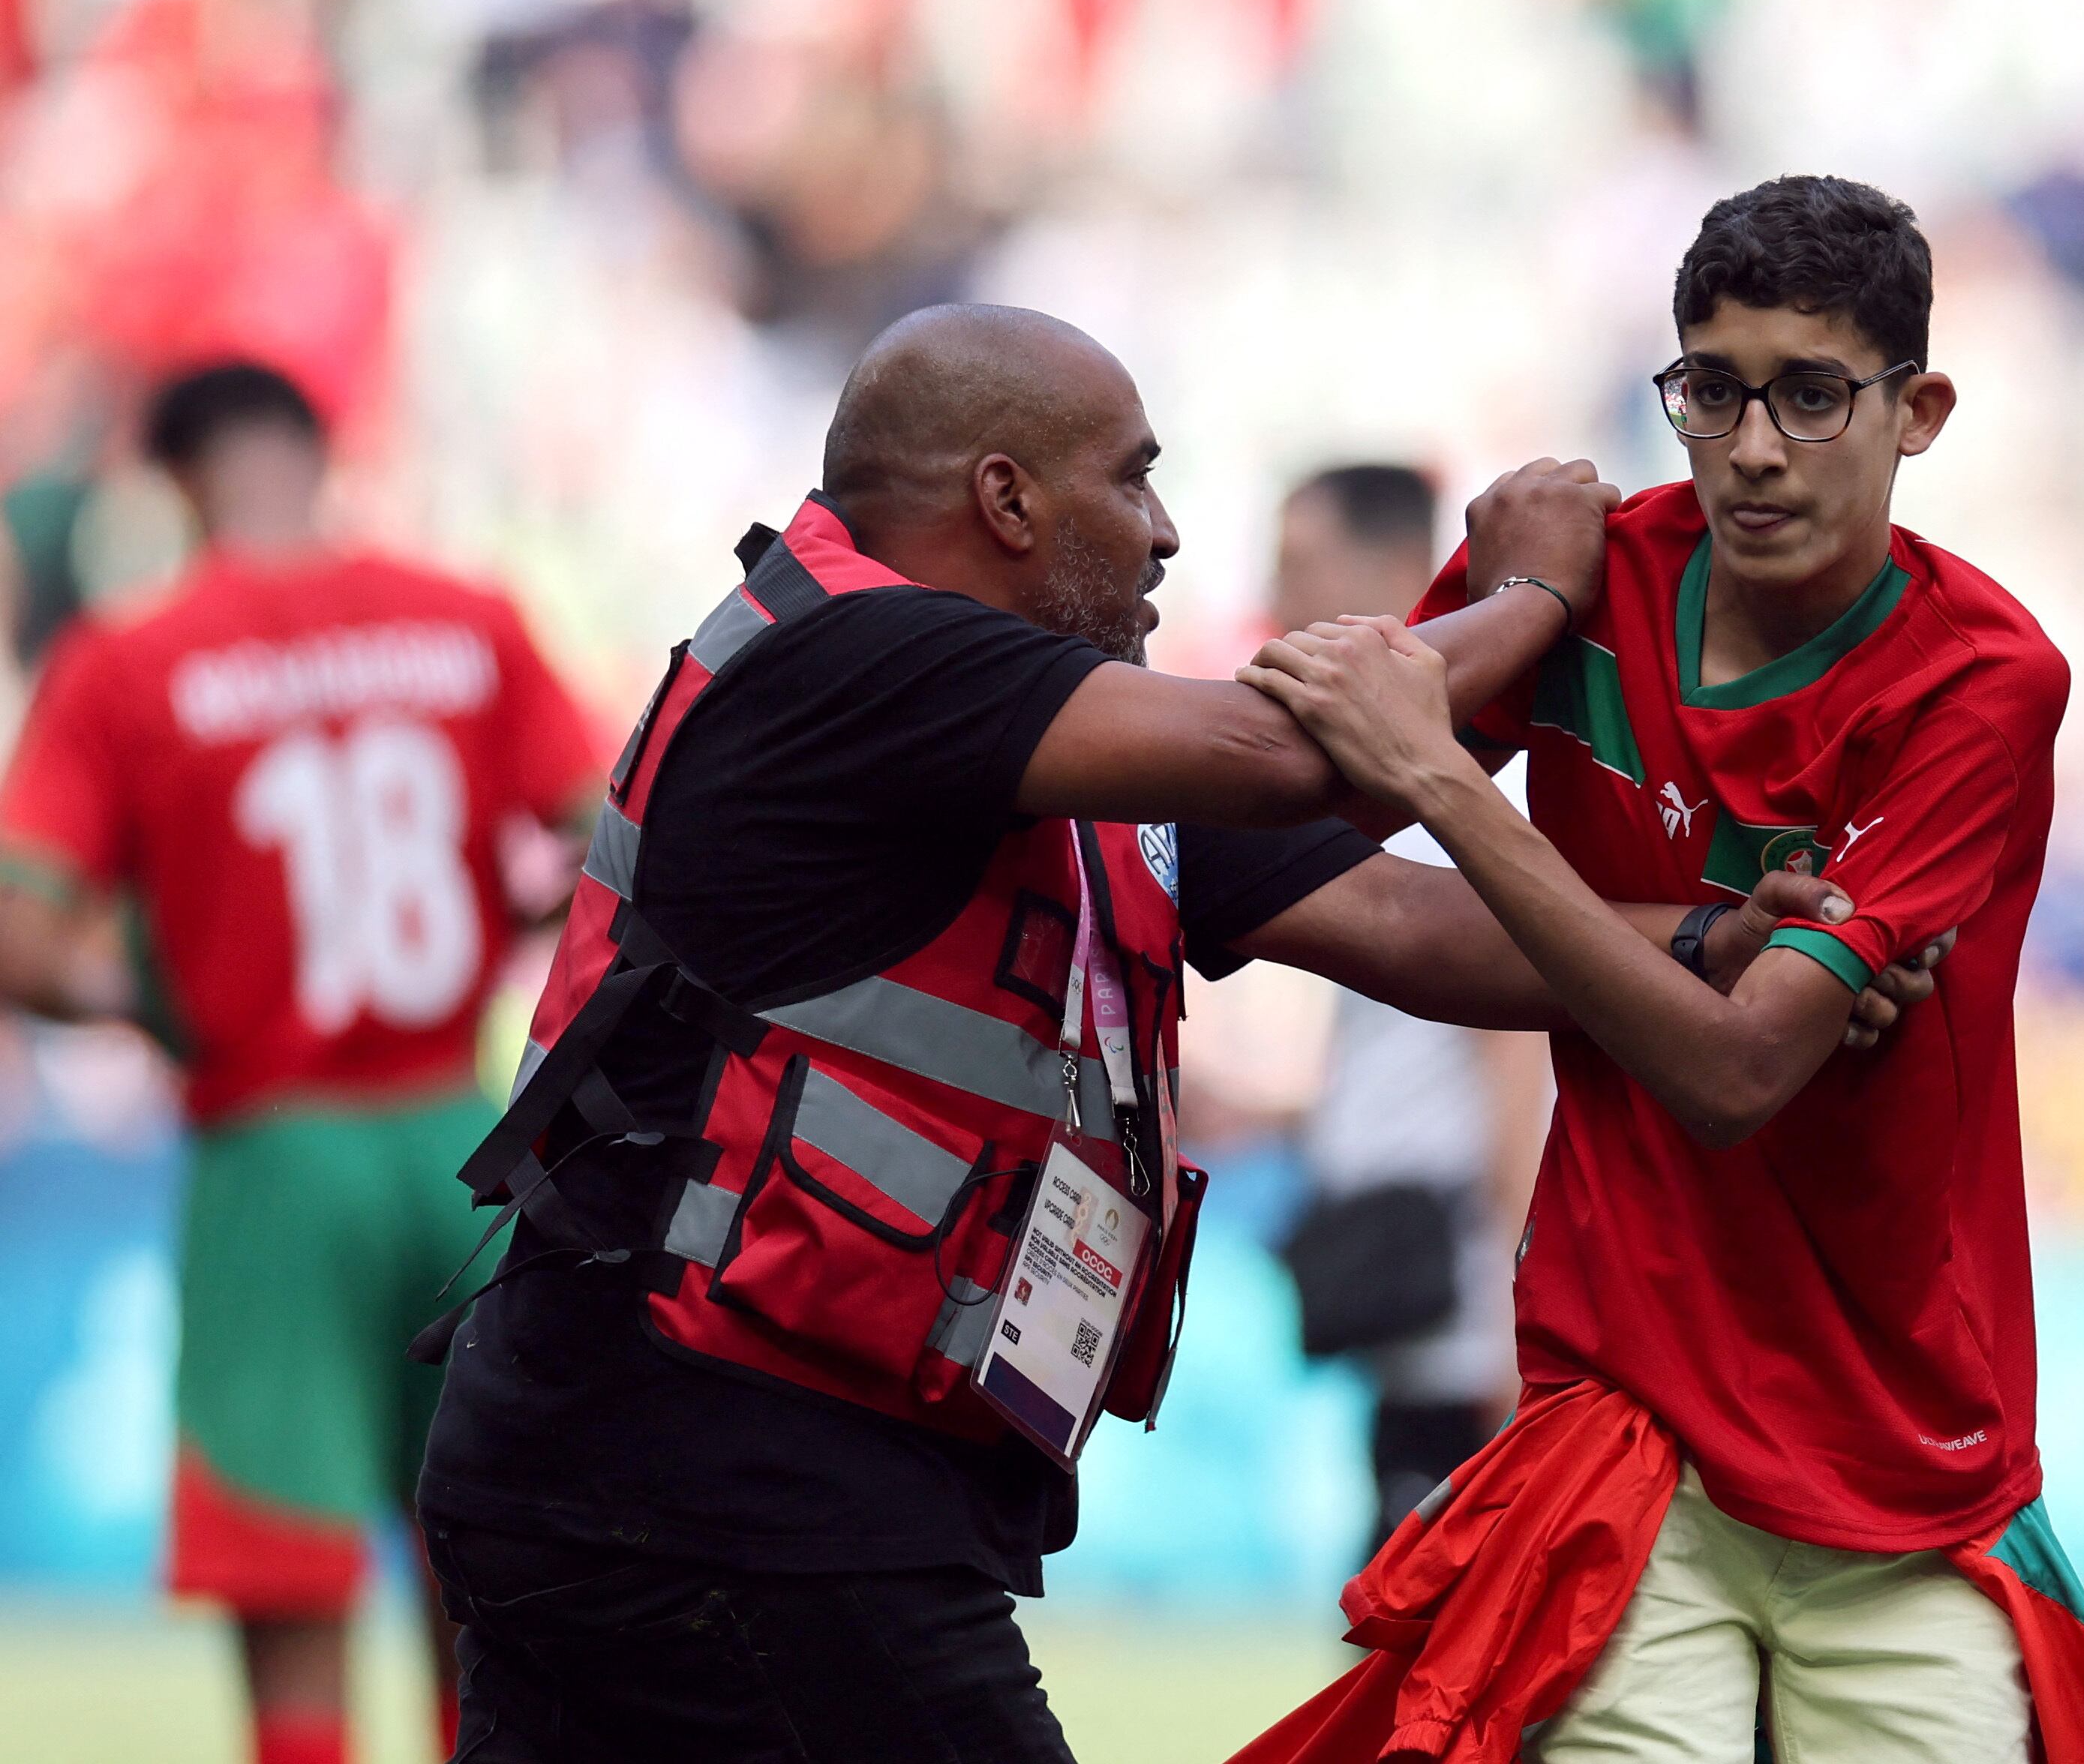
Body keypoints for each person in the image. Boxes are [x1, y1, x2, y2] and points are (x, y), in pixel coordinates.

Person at [415, 303, 1940, 1764]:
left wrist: (1707, 941)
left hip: (682, 1450)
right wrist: (1535, 595)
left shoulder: (1061, 750)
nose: (1167, 529)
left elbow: (1400, 919)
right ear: (1003, 497)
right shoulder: (854, 655)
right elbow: (1290, 755)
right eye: (1132, 475)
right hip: (719, 1465)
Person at [1235, 178, 2084, 1762]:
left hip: (1895, 1442)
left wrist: (1452, 786)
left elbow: (1736, 1071)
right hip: (1630, 1415)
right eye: (1713, 388)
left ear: (1919, 409)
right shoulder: (1588, 579)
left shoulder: (1979, 678)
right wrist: (1521, 602)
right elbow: (1289, 815)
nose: (1752, 446)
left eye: (1812, 393)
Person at [0, 362, 604, 1764]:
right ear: (320, 454)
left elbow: (21, 933)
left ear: (172, 481)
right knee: (488, 1562)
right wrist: (496, 920)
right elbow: (612, 835)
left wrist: (152, 997)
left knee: (284, 1569)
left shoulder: (133, 658)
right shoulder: (468, 619)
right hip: (462, 1151)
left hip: (272, 1149)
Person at [1272, 464, 1546, 1549]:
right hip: (1412, 1314)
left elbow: (1517, 1065)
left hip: (1468, 1329)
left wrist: (1524, 1334)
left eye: (1299, 566)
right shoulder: (1384, 796)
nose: (1276, 594)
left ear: (1393, 574)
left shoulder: (1448, 804)